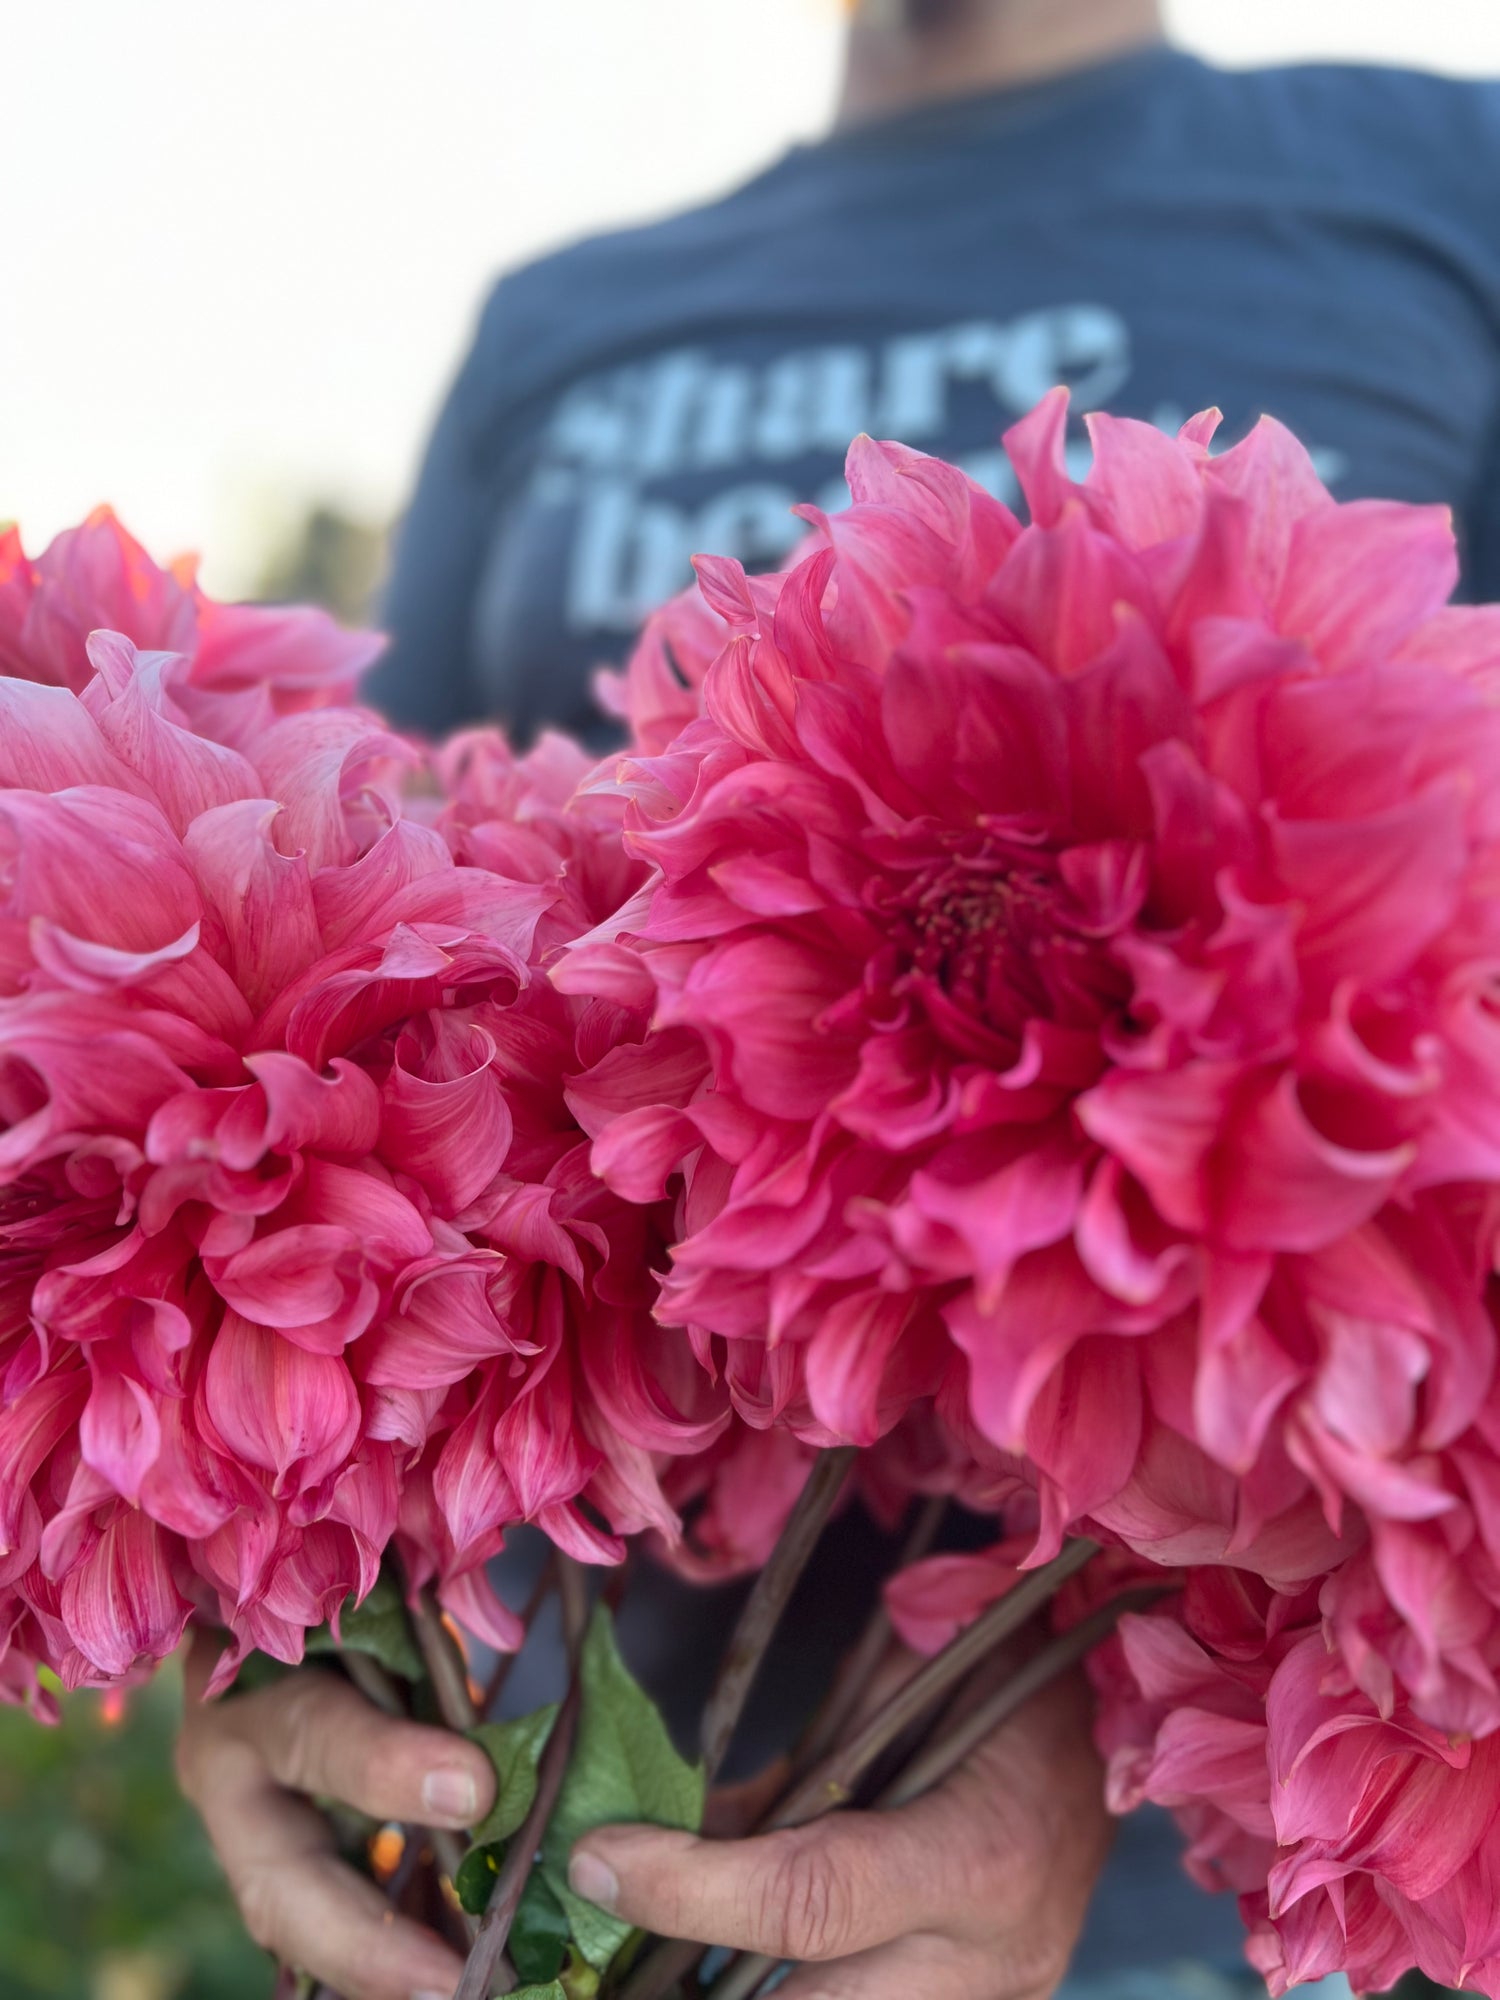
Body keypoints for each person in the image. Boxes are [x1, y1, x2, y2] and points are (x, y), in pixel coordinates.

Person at [176, 2, 1500, 1996]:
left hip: (1148, 1925)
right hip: (524, 1823)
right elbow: (369, 951)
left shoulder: (1438, 186)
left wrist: (1100, 1719)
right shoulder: (561, 320)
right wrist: (257, 1599)